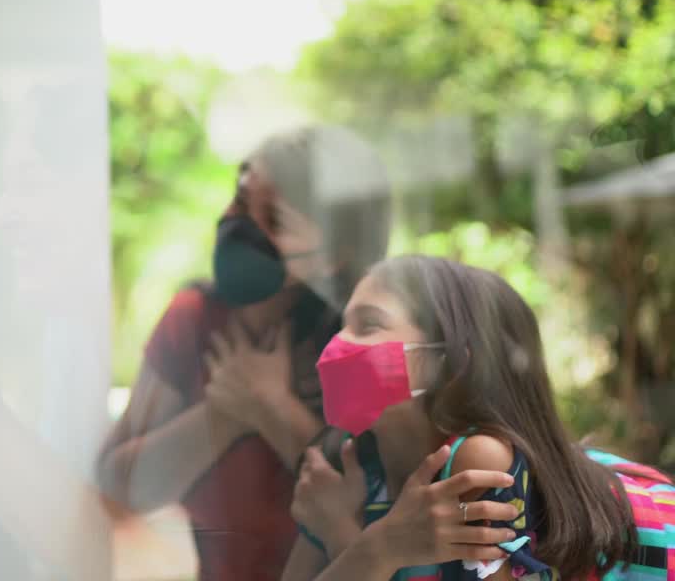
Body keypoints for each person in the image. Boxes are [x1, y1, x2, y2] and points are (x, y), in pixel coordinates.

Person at [96, 125, 392, 581]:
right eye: (239, 198)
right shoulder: (194, 319)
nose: (237, 224)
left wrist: (270, 406)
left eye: (272, 220)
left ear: (332, 255)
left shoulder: (363, 345)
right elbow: (121, 487)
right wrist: (223, 414)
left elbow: (383, 523)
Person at [286, 255, 675, 581]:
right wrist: (358, 540)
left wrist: (361, 544)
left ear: (448, 364)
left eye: (368, 324)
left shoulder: (481, 461)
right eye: (342, 325)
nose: (338, 344)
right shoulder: (346, 473)